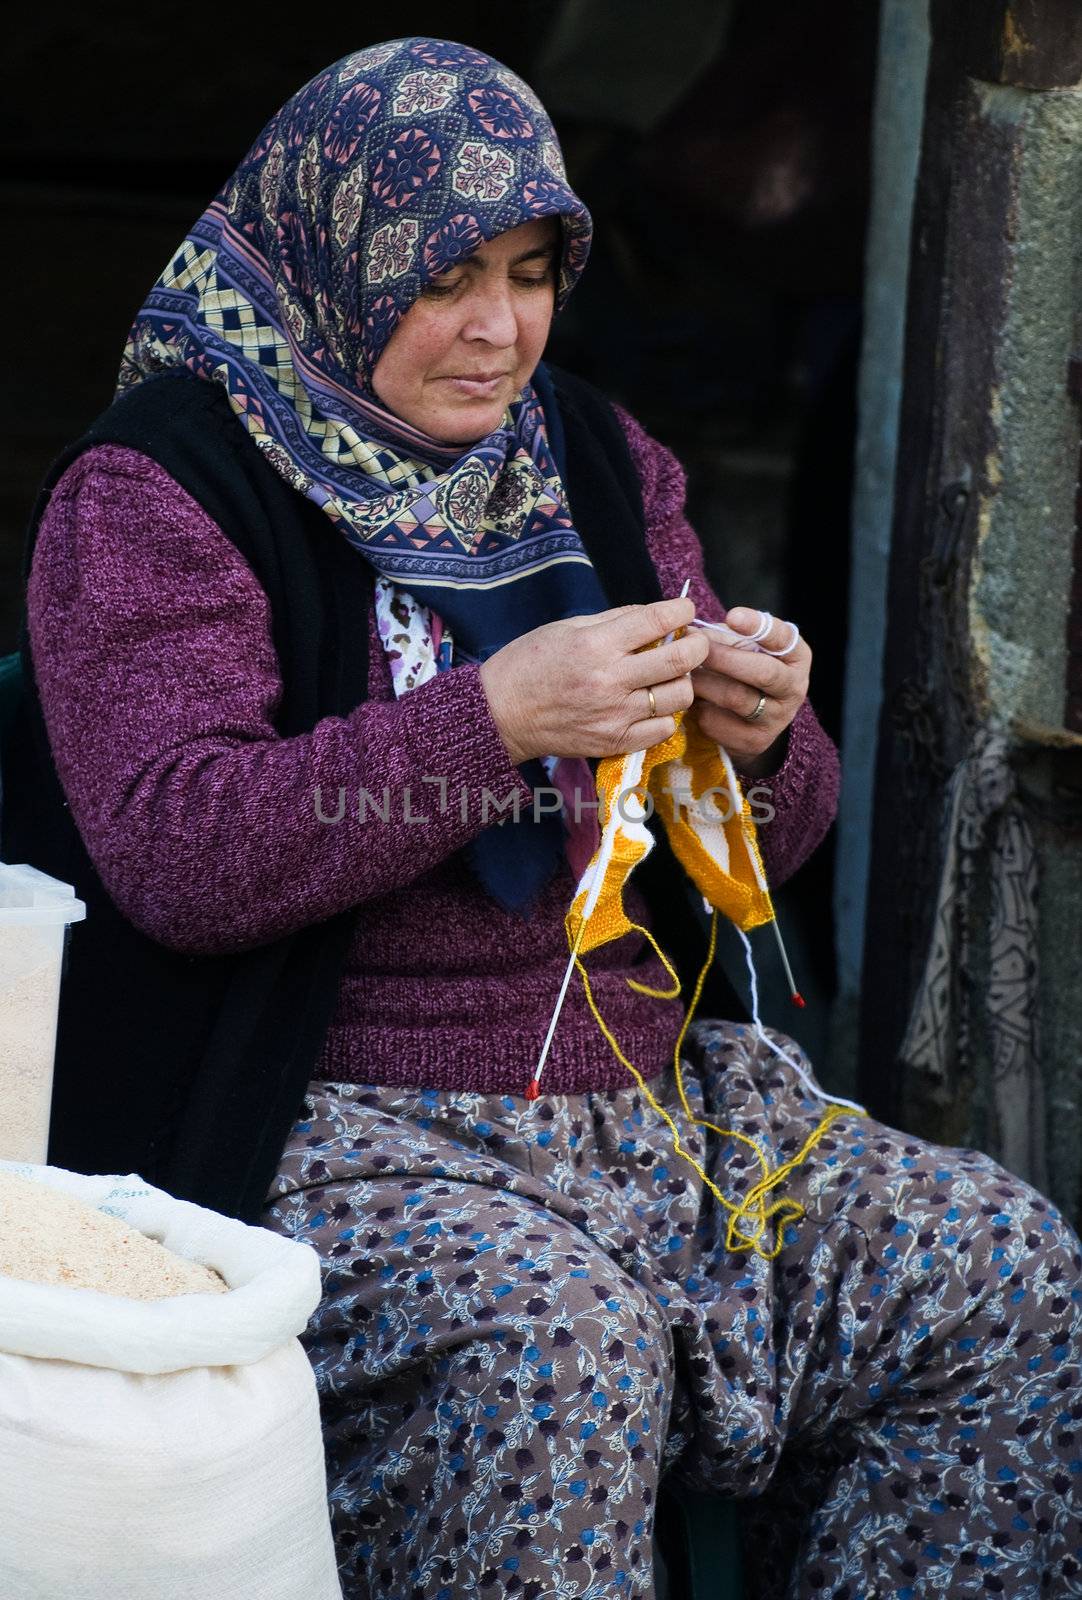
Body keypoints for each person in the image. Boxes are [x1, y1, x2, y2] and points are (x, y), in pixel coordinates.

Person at [5, 37, 1080, 1600]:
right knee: (553, 1350)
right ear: (334, 260)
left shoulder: (584, 455)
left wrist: (756, 743)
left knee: (1003, 1273)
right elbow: (178, 846)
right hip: (326, 1139)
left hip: (651, 1113)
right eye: (444, 280)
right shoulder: (162, 492)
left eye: (529, 272)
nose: (499, 330)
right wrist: (492, 720)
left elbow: (770, 851)